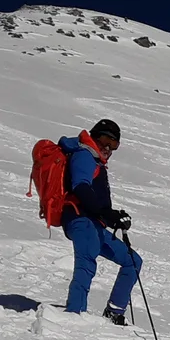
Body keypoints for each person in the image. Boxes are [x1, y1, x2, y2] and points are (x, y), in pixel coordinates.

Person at [56, 118, 141, 322]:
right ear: (94, 136)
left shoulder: (95, 160)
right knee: (86, 264)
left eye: (114, 145)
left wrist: (113, 217)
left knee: (132, 261)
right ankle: (74, 316)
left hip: (94, 223)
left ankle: (114, 312)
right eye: (105, 140)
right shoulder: (84, 155)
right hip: (80, 219)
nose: (108, 148)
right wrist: (106, 213)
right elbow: (81, 187)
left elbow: (95, 199)